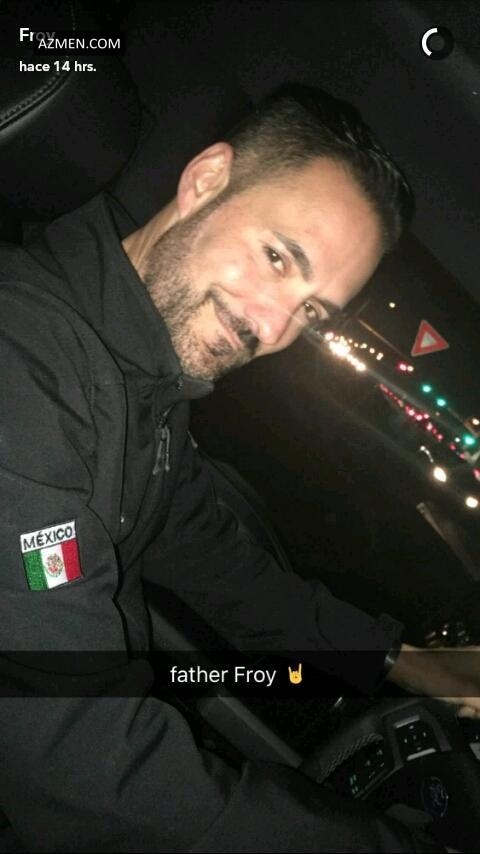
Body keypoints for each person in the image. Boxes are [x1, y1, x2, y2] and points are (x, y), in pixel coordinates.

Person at [0, 83, 477, 853]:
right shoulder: (23, 361)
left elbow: (220, 566)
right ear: (205, 180)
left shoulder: (148, 383)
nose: (272, 326)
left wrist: (408, 660)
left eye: (312, 312)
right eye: (278, 257)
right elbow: (81, 762)